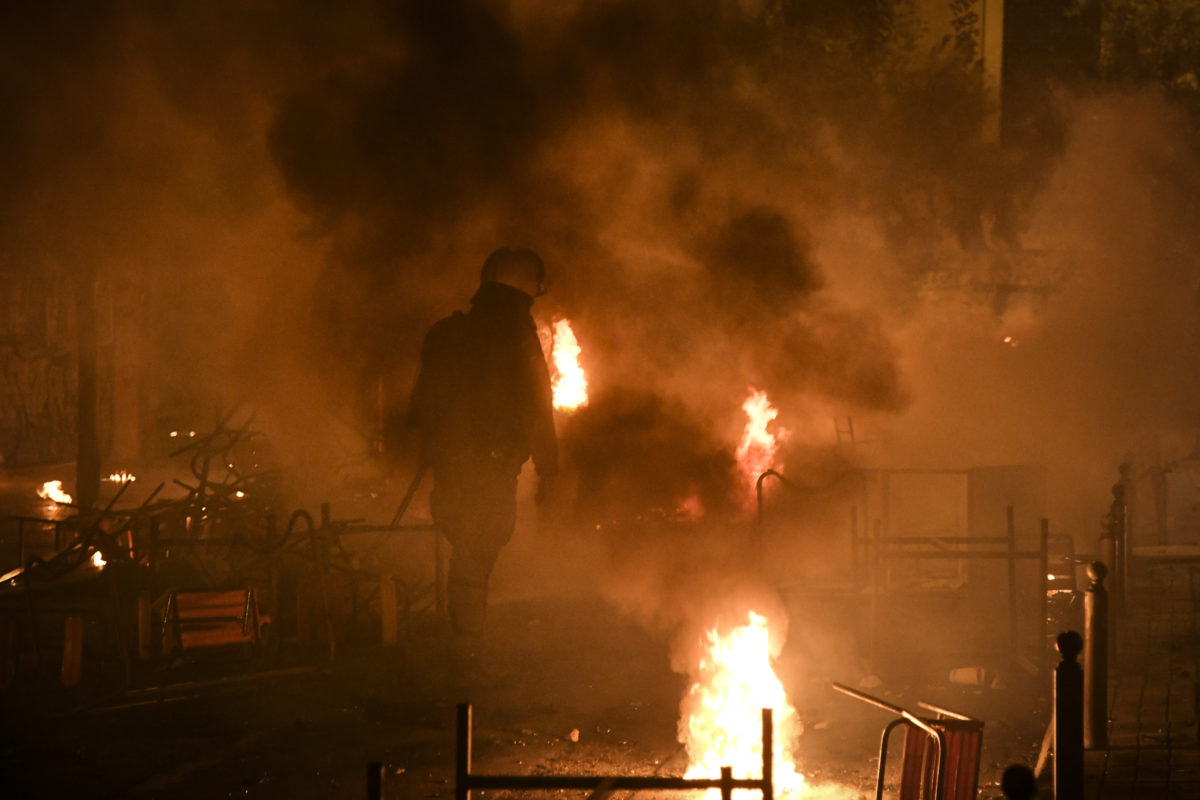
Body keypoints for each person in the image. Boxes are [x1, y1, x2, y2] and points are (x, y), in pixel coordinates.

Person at [408, 246, 558, 638]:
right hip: (491, 468)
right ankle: (467, 654)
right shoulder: (517, 336)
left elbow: (419, 405)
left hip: (450, 465)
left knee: (466, 552)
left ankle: (464, 639)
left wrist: (438, 449)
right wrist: (549, 468)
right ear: (527, 288)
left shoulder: (446, 332)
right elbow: (537, 405)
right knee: (477, 554)